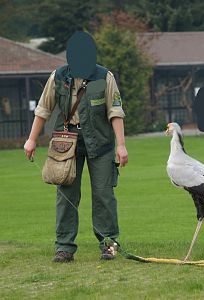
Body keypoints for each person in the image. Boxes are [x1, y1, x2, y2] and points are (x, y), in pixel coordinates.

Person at [23, 31, 128, 262]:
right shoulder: (58, 76)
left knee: (103, 194)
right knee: (66, 195)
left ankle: (108, 244)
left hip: (100, 144)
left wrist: (121, 145)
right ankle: (64, 248)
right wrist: (31, 140)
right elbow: (43, 109)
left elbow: (115, 112)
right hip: (66, 144)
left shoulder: (104, 77)